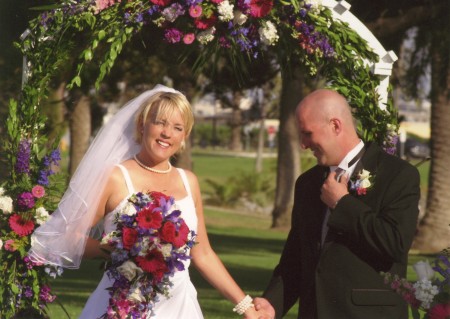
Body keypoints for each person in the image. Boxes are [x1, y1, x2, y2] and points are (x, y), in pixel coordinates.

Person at [29, 84, 273, 319]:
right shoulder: (115, 177)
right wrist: (119, 250)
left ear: (184, 136)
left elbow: (203, 253)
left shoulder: (189, 181)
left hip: (179, 306)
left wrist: (245, 306)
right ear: (141, 125)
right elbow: (70, 237)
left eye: (178, 127)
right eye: (160, 122)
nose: (167, 133)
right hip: (121, 304)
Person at [254, 89, 420, 319]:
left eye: (307, 134)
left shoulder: (398, 175)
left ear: (335, 126)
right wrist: (273, 303)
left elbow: (396, 243)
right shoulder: (307, 183)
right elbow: (296, 256)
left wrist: (342, 204)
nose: (303, 144)